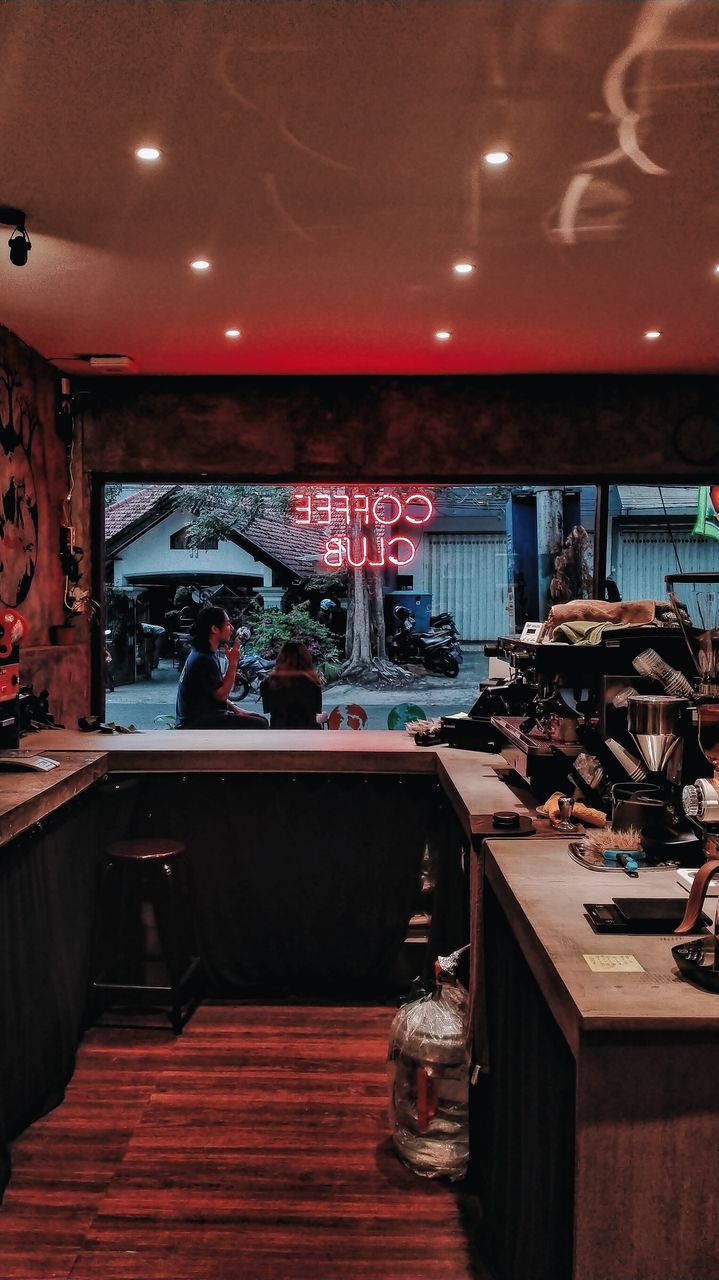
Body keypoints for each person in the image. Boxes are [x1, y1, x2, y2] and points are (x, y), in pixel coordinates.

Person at [176, 606, 268, 729]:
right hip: (197, 722)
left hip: (206, 716)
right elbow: (222, 695)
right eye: (228, 624)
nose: (232, 629)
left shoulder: (204, 652)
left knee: (259, 719)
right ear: (214, 629)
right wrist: (233, 662)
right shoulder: (203, 658)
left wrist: (236, 708)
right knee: (261, 724)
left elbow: (212, 689)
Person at [261, 640, 324, 730]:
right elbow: (314, 713)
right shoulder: (312, 683)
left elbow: (269, 710)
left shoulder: (268, 683)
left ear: (280, 658)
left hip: (278, 734)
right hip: (308, 736)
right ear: (306, 659)